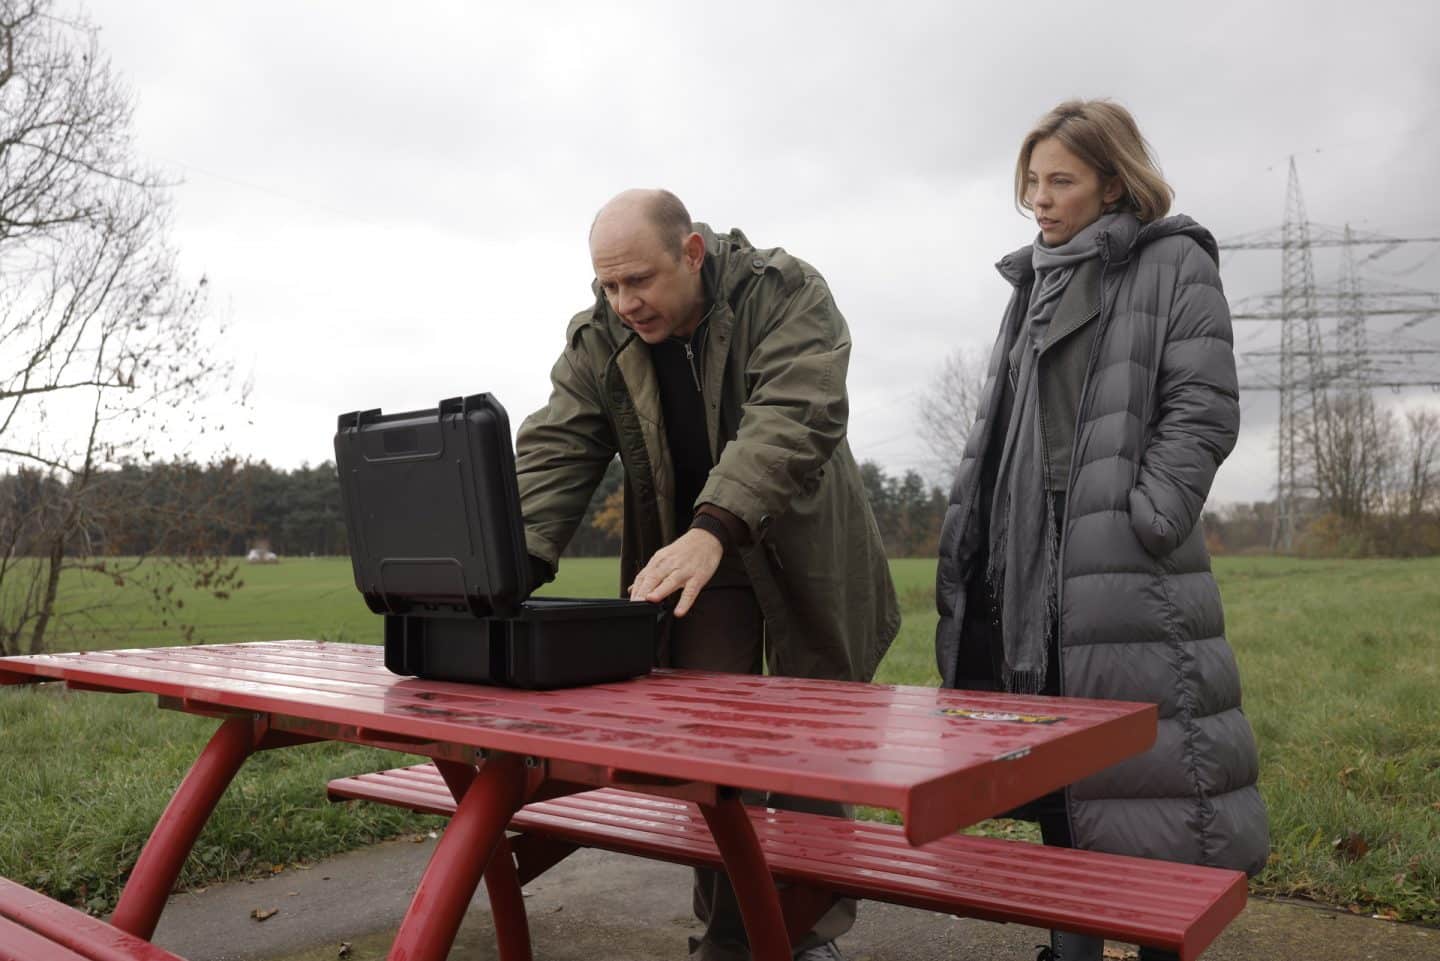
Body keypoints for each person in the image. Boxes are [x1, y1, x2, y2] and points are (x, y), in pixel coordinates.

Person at [515, 188, 900, 961]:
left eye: (640, 281)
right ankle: (727, 940)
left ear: (692, 252)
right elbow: (556, 451)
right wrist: (507, 563)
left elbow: (798, 410)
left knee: (807, 749)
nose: (624, 302)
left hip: (795, 546)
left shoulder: (783, 292)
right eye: (609, 285)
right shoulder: (600, 338)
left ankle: (803, 936)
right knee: (707, 761)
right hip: (690, 563)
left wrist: (715, 524)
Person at [933, 100, 1269, 961]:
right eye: (1031, 184)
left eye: (1061, 182)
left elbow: (1204, 407)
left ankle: (1162, 944)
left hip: (1125, 558)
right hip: (1030, 561)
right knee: (1059, 767)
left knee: (1157, 766)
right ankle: (1070, 947)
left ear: (1113, 182)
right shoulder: (1034, 276)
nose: (1040, 201)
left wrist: (1149, 511)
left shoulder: (1173, 261)